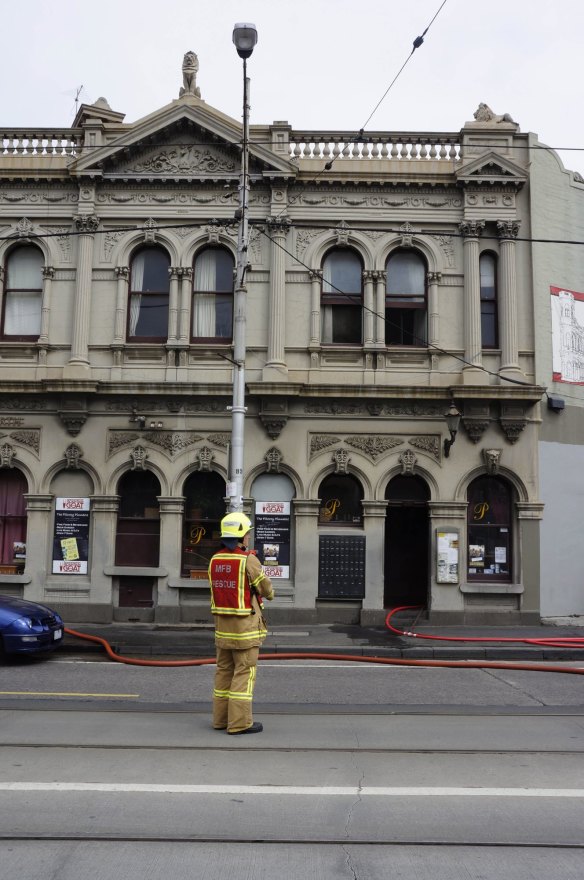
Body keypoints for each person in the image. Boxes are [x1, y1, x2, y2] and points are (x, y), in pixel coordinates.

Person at [208, 512, 274, 734]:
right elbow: (266, 589)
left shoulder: (215, 559)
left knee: (224, 672)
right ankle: (239, 723)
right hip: (245, 629)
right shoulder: (248, 559)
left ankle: (221, 720)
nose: (248, 537)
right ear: (241, 536)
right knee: (244, 674)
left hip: (222, 630)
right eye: (247, 533)